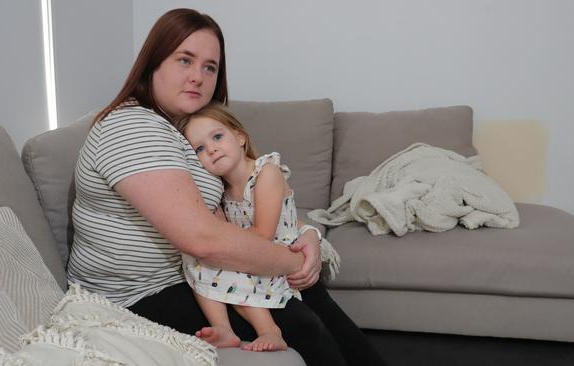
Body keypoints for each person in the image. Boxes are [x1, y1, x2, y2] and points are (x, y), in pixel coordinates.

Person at [66, 8, 385, 366]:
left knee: (310, 294)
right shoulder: (131, 127)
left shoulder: (187, 132)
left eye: (210, 67)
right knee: (301, 322)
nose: (198, 77)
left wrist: (307, 234)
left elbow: (245, 208)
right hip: (137, 295)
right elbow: (202, 239)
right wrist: (291, 260)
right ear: (153, 63)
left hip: (192, 272)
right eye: (184, 60)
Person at [176, 102, 315, 352]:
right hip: (249, 251)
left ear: (239, 137)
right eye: (199, 148)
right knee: (195, 258)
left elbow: (262, 235)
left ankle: (271, 331)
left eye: (217, 136)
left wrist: (223, 236)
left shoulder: (266, 173)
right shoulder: (221, 192)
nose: (212, 149)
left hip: (275, 254)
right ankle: (224, 330)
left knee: (232, 270)